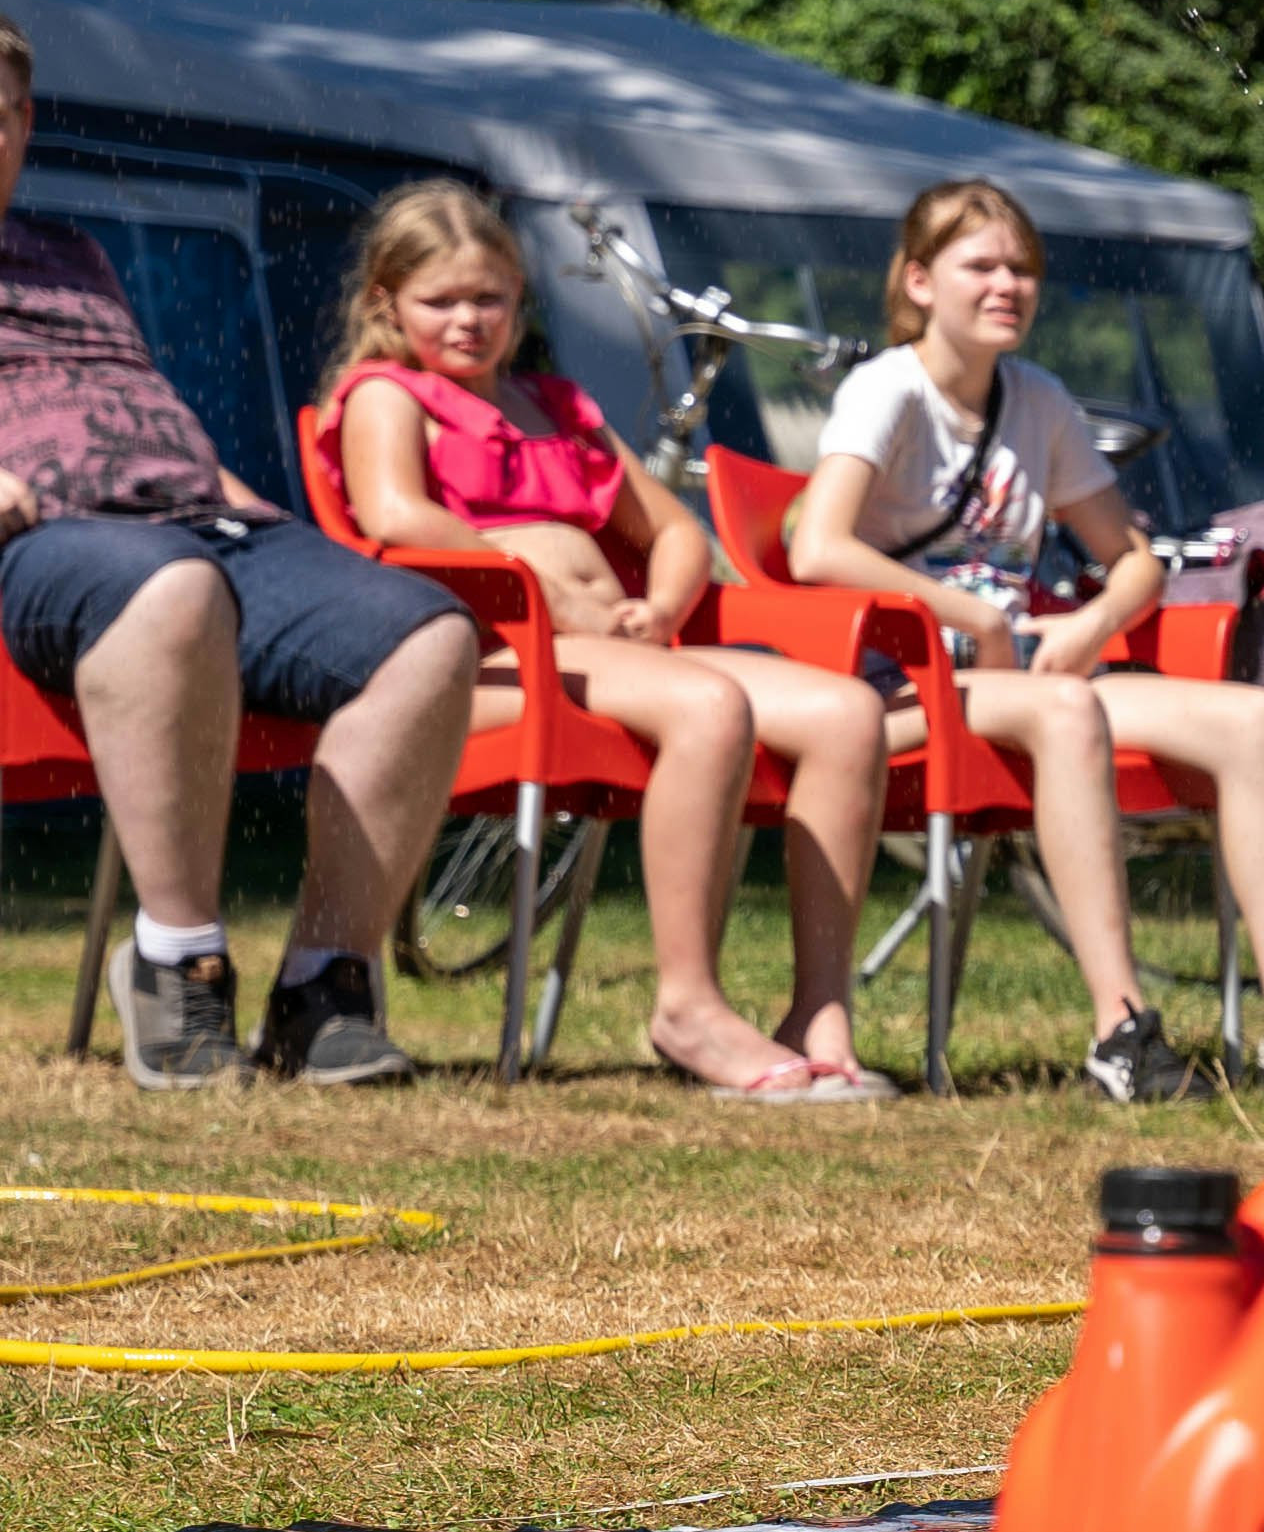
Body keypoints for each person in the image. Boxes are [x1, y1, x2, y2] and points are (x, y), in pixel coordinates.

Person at [782, 178, 1264, 1105]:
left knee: (1252, 717)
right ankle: (1122, 1029)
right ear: (918, 281)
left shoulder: (1036, 399)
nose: (1009, 285)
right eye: (981, 266)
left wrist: (1091, 623)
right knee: (1070, 707)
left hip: (1025, 666)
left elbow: (1135, 561)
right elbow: (817, 547)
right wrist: (975, 617)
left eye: (1024, 269)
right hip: (900, 675)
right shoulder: (889, 390)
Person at [319, 181, 897, 1101]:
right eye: (441, 301)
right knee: (712, 706)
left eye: (489, 298)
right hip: (494, 653)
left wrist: (662, 607)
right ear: (386, 303)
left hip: (614, 648)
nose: (468, 320)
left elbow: (673, 530)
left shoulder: (557, 406)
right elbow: (397, 515)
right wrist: (546, 588)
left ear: (519, 297)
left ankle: (817, 1007)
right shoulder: (390, 397)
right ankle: (687, 1004)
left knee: (849, 715)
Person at [0, 13, 479, 1085]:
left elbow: (135, 405)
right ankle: (177, 963)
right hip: (45, 550)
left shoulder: (71, 257)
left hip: (203, 525)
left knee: (427, 634)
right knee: (170, 588)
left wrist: (262, 519)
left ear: (23, 124)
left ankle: (325, 987)